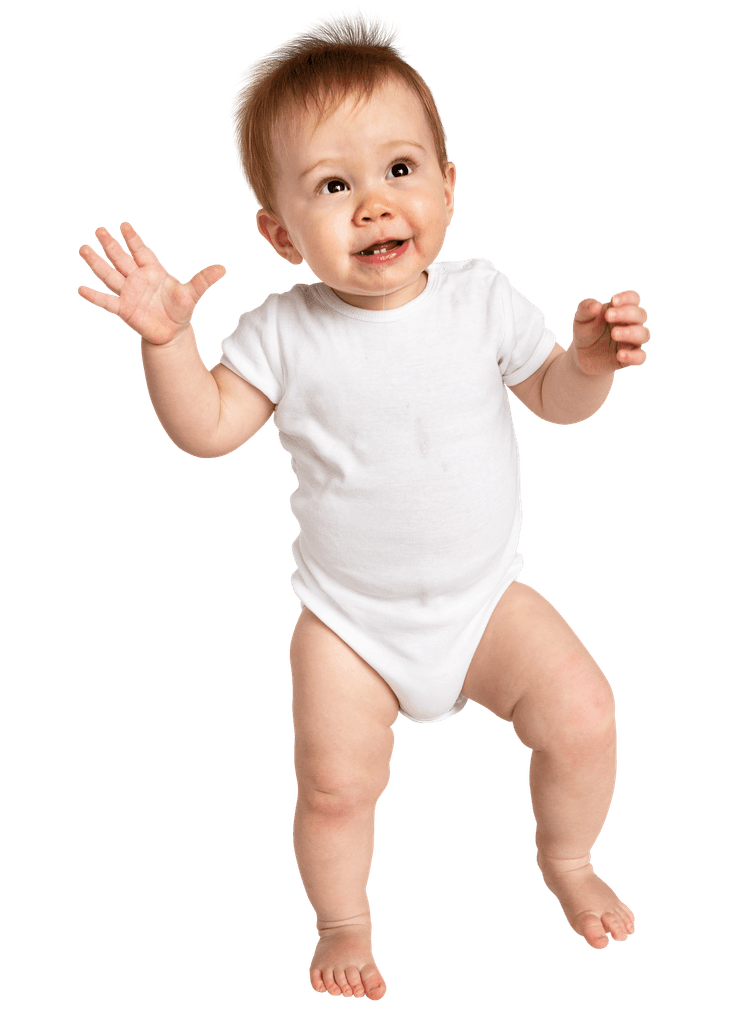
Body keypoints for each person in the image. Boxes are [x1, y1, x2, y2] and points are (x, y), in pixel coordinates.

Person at [77, 6, 649, 1002]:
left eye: (398, 170)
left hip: (483, 604)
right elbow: (207, 430)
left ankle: (567, 857)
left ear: (448, 184)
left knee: (587, 714)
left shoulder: (480, 297)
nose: (375, 205)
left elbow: (557, 402)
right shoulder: (281, 331)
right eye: (333, 187)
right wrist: (167, 345)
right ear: (279, 232)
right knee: (336, 791)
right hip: (351, 624)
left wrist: (590, 360)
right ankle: (343, 921)